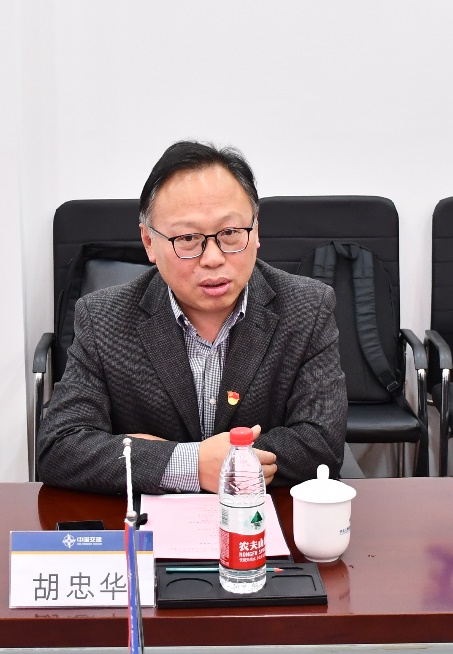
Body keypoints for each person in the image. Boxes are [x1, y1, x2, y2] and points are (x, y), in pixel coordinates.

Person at [36, 140, 347, 495]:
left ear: (255, 230)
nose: (213, 258)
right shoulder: (103, 317)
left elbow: (321, 445)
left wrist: (216, 463)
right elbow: (59, 447)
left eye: (230, 233)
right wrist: (192, 464)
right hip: (147, 524)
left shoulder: (307, 307)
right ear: (149, 242)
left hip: (261, 517)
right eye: (187, 238)